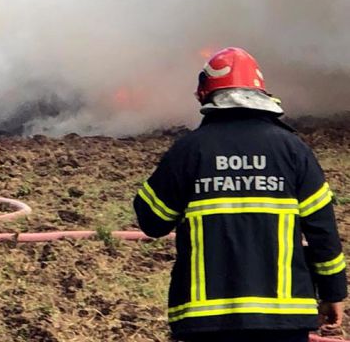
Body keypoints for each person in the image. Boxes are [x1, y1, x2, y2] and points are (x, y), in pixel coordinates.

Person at [134, 46, 346, 342]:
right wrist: (334, 292)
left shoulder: (189, 150)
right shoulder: (293, 151)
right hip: (283, 317)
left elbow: (152, 221)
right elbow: (323, 231)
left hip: (206, 320)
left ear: (205, 95)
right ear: (261, 93)